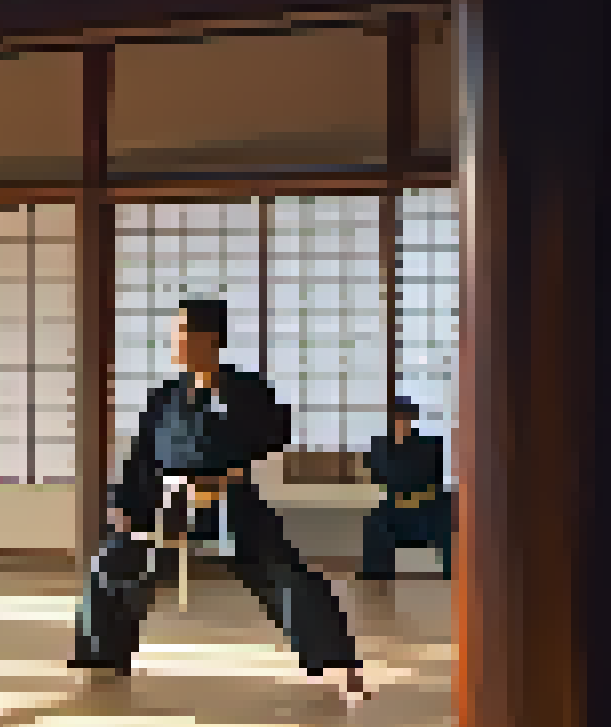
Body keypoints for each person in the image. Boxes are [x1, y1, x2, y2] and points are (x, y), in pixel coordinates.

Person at [71, 299, 369, 703]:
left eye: (181, 333)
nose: (173, 342)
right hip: (167, 501)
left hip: (231, 500)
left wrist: (229, 476)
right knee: (112, 560)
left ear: (208, 339)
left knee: (284, 572)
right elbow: (141, 457)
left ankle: (336, 662)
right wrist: (123, 504)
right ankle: (101, 661)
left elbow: (274, 445)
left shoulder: (248, 392)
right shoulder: (164, 397)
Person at [361, 397, 453, 580]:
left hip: (425, 506)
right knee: (374, 520)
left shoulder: (430, 445)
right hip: (394, 506)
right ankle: (377, 580)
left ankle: (451, 573)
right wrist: (396, 498)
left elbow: (437, 484)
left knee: (444, 509)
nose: (401, 422)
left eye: (406, 418)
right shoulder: (379, 446)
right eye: (397, 418)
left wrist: (418, 497)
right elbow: (374, 481)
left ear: (412, 419)